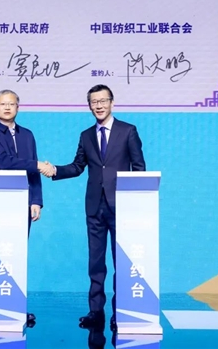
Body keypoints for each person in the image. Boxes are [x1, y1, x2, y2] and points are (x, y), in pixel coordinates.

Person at [46, 84, 146, 331]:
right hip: (94, 207)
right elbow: (77, 166)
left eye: (103, 101)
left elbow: (139, 168)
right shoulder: (86, 135)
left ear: (112, 102)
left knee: (122, 262)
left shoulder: (128, 131)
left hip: (121, 207)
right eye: (94, 102)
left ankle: (121, 311)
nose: (99, 106)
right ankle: (96, 311)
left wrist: (136, 204)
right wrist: (55, 170)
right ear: (89, 106)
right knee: (96, 262)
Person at [0, 89, 52, 327]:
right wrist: (38, 164)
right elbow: (4, 162)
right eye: (2, 104)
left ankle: (14, 306)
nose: (7, 107)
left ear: (18, 107)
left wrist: (36, 200)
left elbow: (33, 173)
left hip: (20, 203)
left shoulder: (27, 135)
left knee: (14, 255)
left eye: (11, 104)